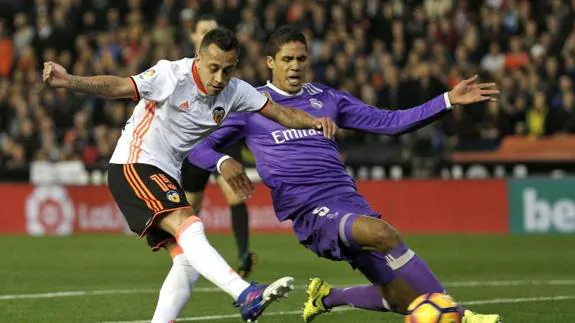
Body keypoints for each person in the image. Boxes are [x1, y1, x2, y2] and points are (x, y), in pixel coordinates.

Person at [188, 26, 502, 323]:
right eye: (287, 59)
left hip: (349, 201)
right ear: (271, 62)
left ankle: (327, 298)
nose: (295, 66)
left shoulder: (328, 99)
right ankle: (459, 315)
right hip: (310, 210)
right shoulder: (250, 105)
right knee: (384, 234)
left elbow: (389, 122)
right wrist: (224, 163)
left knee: (399, 298)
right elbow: (198, 149)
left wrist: (447, 100)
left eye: (301, 59)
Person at [42, 27, 337, 323]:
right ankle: (244, 292)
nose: (220, 78)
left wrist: (315, 122)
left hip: (166, 174)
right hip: (134, 165)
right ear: (198, 59)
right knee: (190, 224)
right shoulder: (171, 76)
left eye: (227, 70)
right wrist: (69, 81)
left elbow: (280, 113)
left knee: (187, 260)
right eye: (213, 68)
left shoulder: (235, 91)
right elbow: (118, 86)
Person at [182, 14, 256, 278]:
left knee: (234, 194)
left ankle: (244, 254)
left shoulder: (227, 75)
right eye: (203, 30)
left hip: (222, 140)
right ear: (193, 38)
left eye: (211, 30)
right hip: (194, 144)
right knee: (192, 206)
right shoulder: (181, 72)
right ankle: (186, 257)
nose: (207, 32)